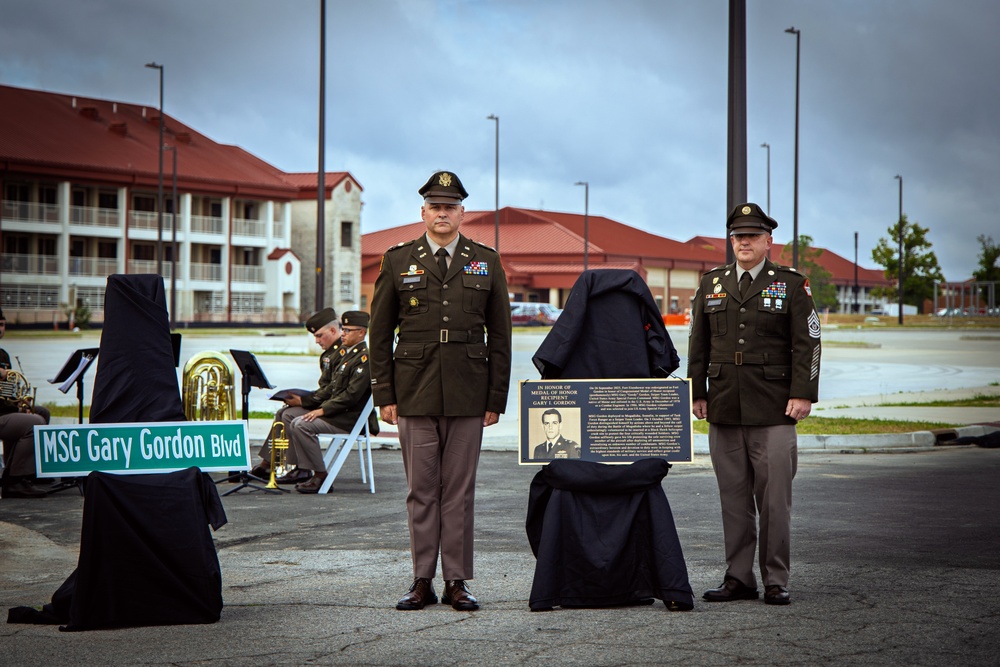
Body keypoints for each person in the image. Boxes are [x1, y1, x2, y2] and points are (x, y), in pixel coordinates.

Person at [370, 170, 512, 612]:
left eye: (450, 207)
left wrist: (495, 399)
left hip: (470, 394)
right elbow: (378, 335)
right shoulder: (397, 260)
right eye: (435, 206)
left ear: (462, 212)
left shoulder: (486, 261)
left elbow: (501, 336)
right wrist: (384, 395)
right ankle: (421, 579)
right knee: (421, 490)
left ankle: (457, 581)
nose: (443, 213)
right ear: (423, 211)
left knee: (459, 491)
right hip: (413, 391)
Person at [687, 202, 821, 606]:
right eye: (737, 236)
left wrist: (803, 393)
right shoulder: (711, 283)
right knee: (733, 498)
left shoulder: (792, 284)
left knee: (774, 500)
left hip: (774, 408)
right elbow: (699, 343)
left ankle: (776, 579)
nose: (743, 242)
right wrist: (698, 391)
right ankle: (738, 577)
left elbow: (808, 343)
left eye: (751, 236)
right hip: (725, 406)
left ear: (768, 241)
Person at [285, 310, 375, 494]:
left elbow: (350, 396)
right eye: (344, 329)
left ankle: (320, 475)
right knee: (292, 418)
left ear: (362, 332)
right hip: (338, 413)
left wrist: (322, 410)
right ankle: (305, 470)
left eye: (349, 330)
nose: (343, 333)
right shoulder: (347, 356)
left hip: (349, 418)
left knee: (301, 425)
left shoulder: (364, 359)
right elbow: (332, 388)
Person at [250, 308, 341, 483]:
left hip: (337, 410)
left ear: (332, 330)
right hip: (329, 404)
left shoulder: (342, 353)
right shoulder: (330, 354)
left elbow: (333, 391)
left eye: (320, 336)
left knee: (290, 415)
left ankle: (301, 468)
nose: (316, 341)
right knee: (282, 413)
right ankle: (269, 462)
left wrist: (304, 400)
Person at [1, 308, 49, 498]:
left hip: (3, 411)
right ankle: (15, 481)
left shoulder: (3, 355)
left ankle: (31, 471)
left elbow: (8, 394)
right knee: (34, 423)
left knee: (41, 412)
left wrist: (19, 405)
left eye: (2, 324)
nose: (0, 329)